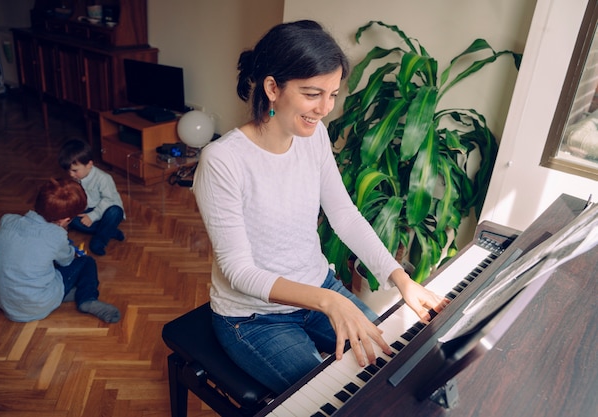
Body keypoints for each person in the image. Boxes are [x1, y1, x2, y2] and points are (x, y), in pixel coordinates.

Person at [191, 20, 448, 395]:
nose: (325, 109)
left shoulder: (313, 137)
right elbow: (238, 272)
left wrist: (401, 280)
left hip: (319, 286)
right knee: (339, 397)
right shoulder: (223, 161)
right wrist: (328, 301)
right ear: (272, 88)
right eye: (313, 94)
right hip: (254, 318)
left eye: (332, 94)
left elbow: (343, 215)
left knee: (396, 370)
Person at [0, 178, 121, 323]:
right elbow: (67, 261)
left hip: (3, 300)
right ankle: (87, 299)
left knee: (40, 263)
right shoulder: (56, 235)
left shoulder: (7, 220)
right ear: (64, 220)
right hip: (36, 305)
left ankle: (69, 293)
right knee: (86, 262)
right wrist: (69, 247)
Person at [58, 139, 125, 256]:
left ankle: (99, 241)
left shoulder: (104, 178)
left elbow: (109, 200)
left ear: (89, 164)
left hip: (105, 211)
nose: (71, 174)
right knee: (72, 220)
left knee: (116, 211)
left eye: (74, 170)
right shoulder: (76, 177)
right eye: (68, 170)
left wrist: (92, 216)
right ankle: (110, 231)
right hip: (87, 209)